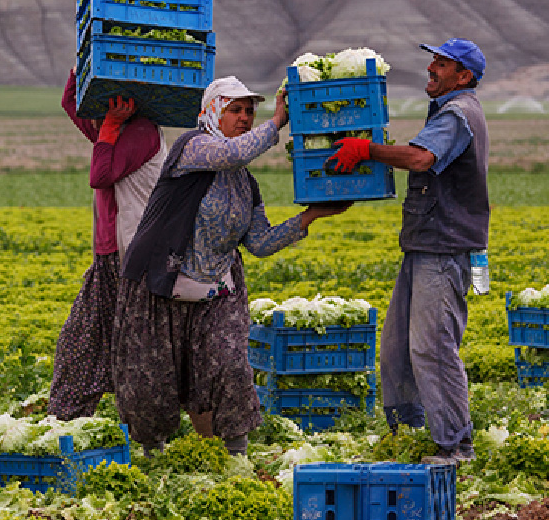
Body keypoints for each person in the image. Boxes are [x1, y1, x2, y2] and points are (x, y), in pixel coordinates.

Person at [113, 76, 349, 456]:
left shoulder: (246, 184)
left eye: (249, 111)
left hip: (215, 290)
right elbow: (231, 154)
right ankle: (152, 457)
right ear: (212, 112)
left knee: (231, 366)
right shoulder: (191, 148)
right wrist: (276, 124)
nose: (244, 118)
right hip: (161, 283)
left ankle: (235, 455)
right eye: (235, 110)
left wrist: (311, 216)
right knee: (153, 381)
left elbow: (259, 243)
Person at [327, 38, 489, 465]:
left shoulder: (458, 114)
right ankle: (412, 433)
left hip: (444, 248)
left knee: (433, 347)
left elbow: (420, 159)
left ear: (464, 76)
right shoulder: (447, 111)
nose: (431, 68)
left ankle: (455, 445)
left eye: (442, 63)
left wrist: (367, 150)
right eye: (432, 60)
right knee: (398, 347)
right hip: (424, 244)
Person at [48, 68, 165, 419]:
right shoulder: (116, 131)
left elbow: (100, 176)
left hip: (129, 255)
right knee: (84, 339)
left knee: (123, 343)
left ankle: (145, 425)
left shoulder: (142, 131)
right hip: (109, 255)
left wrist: (112, 126)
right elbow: (72, 105)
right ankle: (68, 419)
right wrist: (77, 66)